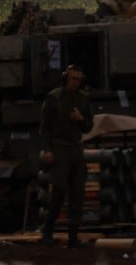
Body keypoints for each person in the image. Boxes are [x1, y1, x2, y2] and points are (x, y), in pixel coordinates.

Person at [38, 64, 94, 248]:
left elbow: (88, 127)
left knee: (77, 193)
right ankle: (47, 231)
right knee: (59, 190)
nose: (75, 82)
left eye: (78, 79)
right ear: (65, 78)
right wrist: (47, 149)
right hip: (59, 148)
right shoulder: (54, 98)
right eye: (72, 78)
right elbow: (44, 128)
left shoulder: (84, 100)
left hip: (76, 148)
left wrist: (81, 120)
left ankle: (73, 237)